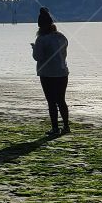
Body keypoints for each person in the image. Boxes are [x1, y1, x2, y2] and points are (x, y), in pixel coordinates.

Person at [32, 7, 70, 136]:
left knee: (51, 102)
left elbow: (38, 57)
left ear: (40, 26)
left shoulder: (41, 39)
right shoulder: (61, 37)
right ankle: (66, 126)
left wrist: (34, 48)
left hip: (47, 74)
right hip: (62, 72)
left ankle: (55, 128)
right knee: (61, 100)